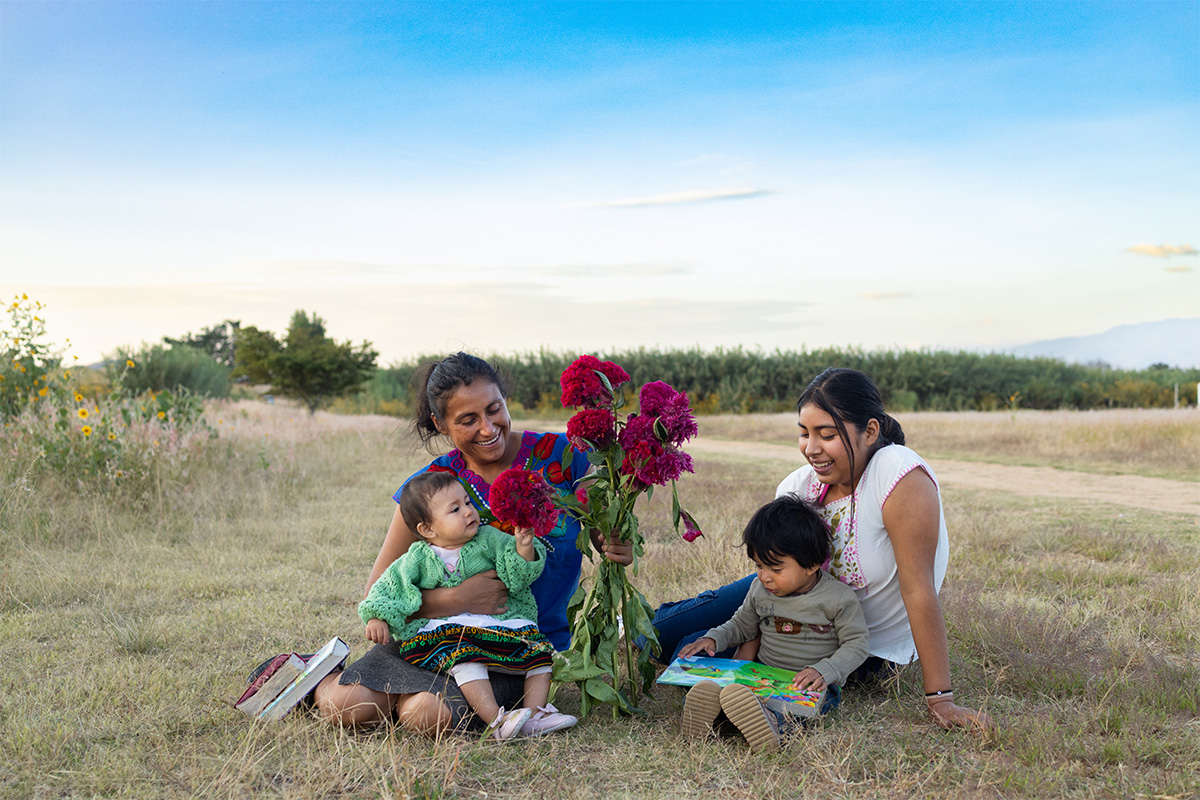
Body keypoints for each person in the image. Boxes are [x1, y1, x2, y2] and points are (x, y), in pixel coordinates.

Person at [651, 368, 994, 731]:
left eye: (826, 435)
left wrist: (941, 699)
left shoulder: (896, 473)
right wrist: (744, 657)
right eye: (804, 433)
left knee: (696, 647)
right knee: (661, 638)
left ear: (871, 431)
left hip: (843, 638)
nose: (811, 449)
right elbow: (768, 596)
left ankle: (735, 709)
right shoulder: (797, 486)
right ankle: (656, 625)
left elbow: (918, 587)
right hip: (785, 596)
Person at [313, 351, 632, 734]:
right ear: (441, 424)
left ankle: (405, 699)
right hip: (431, 641)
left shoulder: (566, 458)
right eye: (468, 420)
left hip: (513, 646)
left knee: (425, 715)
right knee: (340, 705)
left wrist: (616, 541)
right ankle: (319, 678)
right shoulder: (430, 487)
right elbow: (376, 594)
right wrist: (457, 599)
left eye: (494, 409)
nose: (487, 427)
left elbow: (604, 531)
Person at [359, 471, 575, 739]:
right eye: (455, 509)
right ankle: (497, 721)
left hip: (500, 625)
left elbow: (518, 577)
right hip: (448, 635)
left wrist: (523, 546)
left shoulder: (490, 539)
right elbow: (388, 588)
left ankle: (536, 713)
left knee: (540, 655)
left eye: (468, 503)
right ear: (427, 529)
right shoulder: (416, 558)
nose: (468, 512)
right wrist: (376, 618)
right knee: (466, 660)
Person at [677, 494, 869, 752]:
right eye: (758, 565)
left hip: (812, 686)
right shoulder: (760, 589)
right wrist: (713, 638)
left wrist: (826, 670)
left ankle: (774, 728)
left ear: (811, 564)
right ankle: (712, 712)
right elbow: (741, 625)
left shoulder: (838, 598)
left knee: (796, 714)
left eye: (776, 569)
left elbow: (857, 644)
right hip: (761, 677)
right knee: (739, 696)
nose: (764, 577)